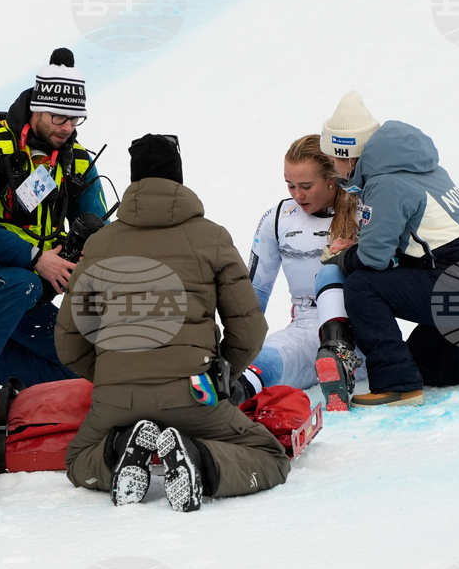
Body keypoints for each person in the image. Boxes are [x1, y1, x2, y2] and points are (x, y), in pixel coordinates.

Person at [56, 134, 290, 512]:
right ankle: (198, 459)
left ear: (133, 183)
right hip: (196, 392)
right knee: (269, 455)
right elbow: (249, 330)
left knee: (80, 457)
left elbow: (68, 341)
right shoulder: (211, 238)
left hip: (116, 400)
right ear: (178, 180)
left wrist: (115, 374)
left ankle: (120, 449)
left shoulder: (100, 244)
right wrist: (221, 375)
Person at [318, 91, 459, 407]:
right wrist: (362, 246)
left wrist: (342, 256)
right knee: (422, 366)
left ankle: (397, 387)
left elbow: (373, 260)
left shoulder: (386, 183)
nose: (334, 168)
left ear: (349, 156)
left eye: (334, 160)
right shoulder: (419, 168)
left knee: (361, 285)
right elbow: (421, 246)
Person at [0, 47, 108, 389]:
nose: (68, 128)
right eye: (59, 118)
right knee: (24, 283)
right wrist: (37, 258)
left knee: (92, 366)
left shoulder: (77, 160)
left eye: (75, 119)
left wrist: (85, 257)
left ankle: (10, 379)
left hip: (31, 296)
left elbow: (102, 232)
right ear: (37, 108)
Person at [231, 135, 365, 411]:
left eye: (306, 186)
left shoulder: (362, 211)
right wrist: (235, 349)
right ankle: (217, 400)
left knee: (266, 364)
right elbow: (255, 291)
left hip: (363, 328)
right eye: (290, 185)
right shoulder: (278, 217)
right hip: (306, 327)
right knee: (263, 361)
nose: (297, 195)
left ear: (331, 179)